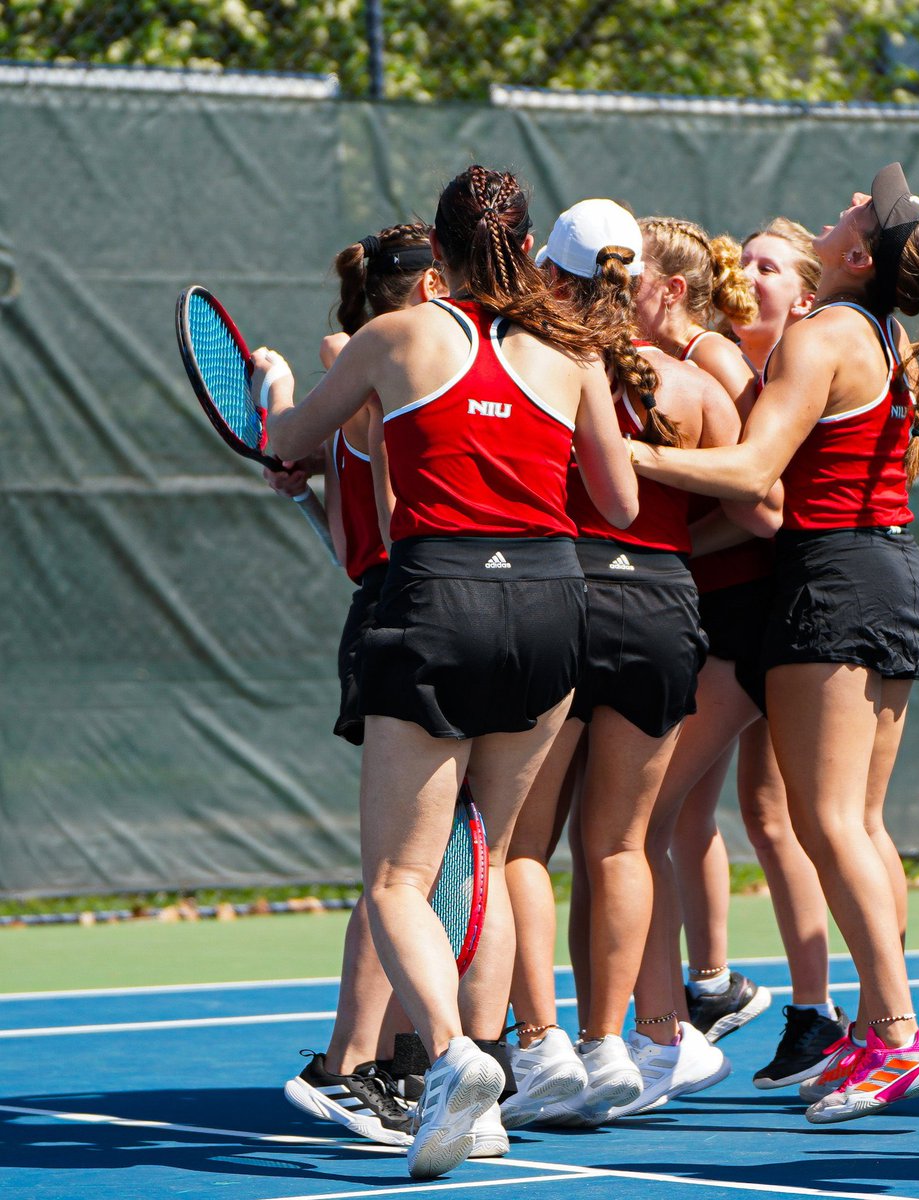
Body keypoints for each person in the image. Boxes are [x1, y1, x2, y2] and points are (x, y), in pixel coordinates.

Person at [253, 165, 638, 1177]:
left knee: (398, 878)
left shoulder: (398, 336)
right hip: (555, 607)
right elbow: (621, 503)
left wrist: (285, 408)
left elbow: (287, 441)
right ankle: (494, 1085)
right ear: (523, 243)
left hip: (438, 600)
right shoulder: (574, 351)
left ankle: (455, 1058)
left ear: (444, 247)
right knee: (502, 853)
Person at [628, 163, 919, 1123]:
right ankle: (873, 1027)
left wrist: (620, 452)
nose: (846, 206)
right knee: (856, 822)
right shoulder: (880, 332)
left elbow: (750, 469)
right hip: (890, 573)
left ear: (858, 255)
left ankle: (899, 1034)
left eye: (860, 212)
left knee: (828, 823)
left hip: (840, 583)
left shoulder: (825, 334)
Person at [502, 199, 775, 1128]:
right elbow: (754, 500)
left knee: (522, 849)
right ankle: (613, 1042)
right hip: (664, 605)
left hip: (564, 599)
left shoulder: (545, 368)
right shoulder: (695, 387)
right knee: (621, 844)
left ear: (557, 278)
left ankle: (541, 1048)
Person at [271, 223, 490, 1152]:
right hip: (423, 596)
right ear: (427, 282)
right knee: (412, 861)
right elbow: (390, 497)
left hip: (412, 597)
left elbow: (328, 468)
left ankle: (375, 1061)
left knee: (410, 863)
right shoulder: (391, 355)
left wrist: (281, 409)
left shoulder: (374, 359)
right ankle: (374, 1061)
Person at [632, 216, 847, 1092]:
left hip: (746, 615)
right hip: (744, 612)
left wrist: (673, 543)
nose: (748, 271)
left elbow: (765, 508)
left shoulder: (716, 363)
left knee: (646, 817)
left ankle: (669, 1027)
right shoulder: (712, 362)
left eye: (770, 264)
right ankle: (802, 1011)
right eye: (746, 259)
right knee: (758, 817)